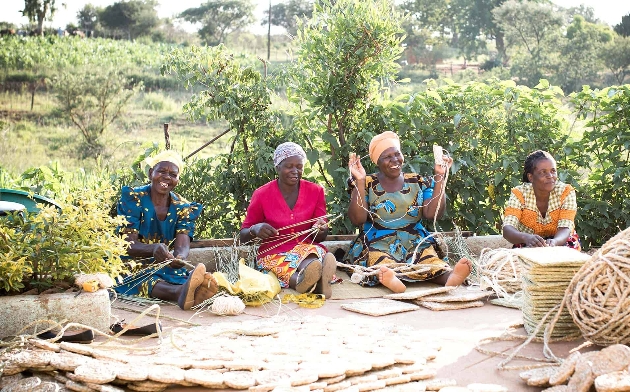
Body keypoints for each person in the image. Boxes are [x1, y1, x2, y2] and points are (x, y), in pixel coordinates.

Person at [345, 131, 472, 293]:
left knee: (429, 260)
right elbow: (357, 219)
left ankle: (449, 278)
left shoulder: (418, 181)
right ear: (377, 161)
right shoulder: (367, 182)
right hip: (377, 241)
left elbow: (432, 215)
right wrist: (360, 181)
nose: (394, 160)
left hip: (414, 241)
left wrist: (440, 177)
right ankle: (392, 279)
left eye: (397, 154)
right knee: (381, 263)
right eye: (387, 157)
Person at [115, 150, 218, 310]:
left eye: (173, 174)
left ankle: (189, 291)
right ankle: (179, 293)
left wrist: (179, 258)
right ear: (151, 173)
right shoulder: (134, 198)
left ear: (178, 179)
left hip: (162, 262)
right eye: (161, 171)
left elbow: (183, 243)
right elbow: (127, 244)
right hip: (130, 260)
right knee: (136, 278)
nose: (166, 177)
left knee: (177, 275)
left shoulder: (183, 207)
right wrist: (153, 248)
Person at [240, 142, 336, 298]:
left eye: (299, 166)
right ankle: (310, 282)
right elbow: (243, 236)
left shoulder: (315, 191)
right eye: (289, 166)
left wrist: (321, 228)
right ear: (277, 167)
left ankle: (311, 277)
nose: (295, 171)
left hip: (305, 249)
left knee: (310, 255)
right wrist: (255, 229)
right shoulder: (262, 194)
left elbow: (320, 237)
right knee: (278, 265)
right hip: (273, 252)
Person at [502, 150, 581, 251]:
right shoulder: (519, 194)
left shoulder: (565, 192)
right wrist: (526, 238)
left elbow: (565, 228)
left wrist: (554, 242)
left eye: (553, 171)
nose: (550, 176)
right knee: (523, 258)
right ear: (530, 177)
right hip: (530, 241)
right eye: (543, 172)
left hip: (561, 240)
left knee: (568, 254)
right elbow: (507, 229)